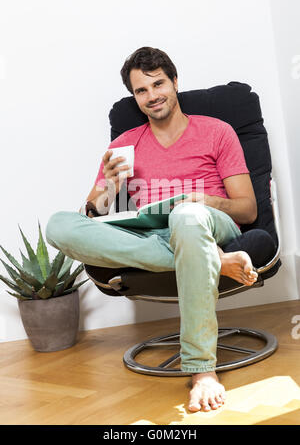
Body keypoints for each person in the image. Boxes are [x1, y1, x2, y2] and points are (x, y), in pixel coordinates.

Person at [46, 47, 258, 413]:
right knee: (58, 225)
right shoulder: (124, 144)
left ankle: (202, 370)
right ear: (135, 96)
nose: (152, 96)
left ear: (175, 83)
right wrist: (108, 190)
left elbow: (248, 209)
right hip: (145, 229)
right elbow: (92, 216)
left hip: (202, 221)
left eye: (158, 83)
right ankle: (214, 261)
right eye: (141, 90)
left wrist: (202, 202)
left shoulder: (216, 132)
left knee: (184, 218)